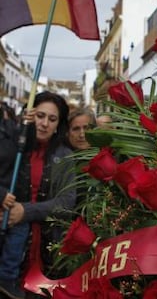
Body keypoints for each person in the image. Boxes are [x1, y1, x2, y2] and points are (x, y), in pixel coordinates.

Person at [0, 91, 76, 298]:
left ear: (58, 125)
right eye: (40, 116)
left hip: (49, 250)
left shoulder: (65, 156)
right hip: (8, 247)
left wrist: (25, 211)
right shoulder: (13, 148)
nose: (44, 124)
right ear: (29, 115)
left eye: (52, 119)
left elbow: (67, 202)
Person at [0, 105, 35, 299]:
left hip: (12, 200)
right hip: (3, 197)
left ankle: (6, 277)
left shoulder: (8, 127)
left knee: (18, 232)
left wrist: (27, 125)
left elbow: (25, 147)